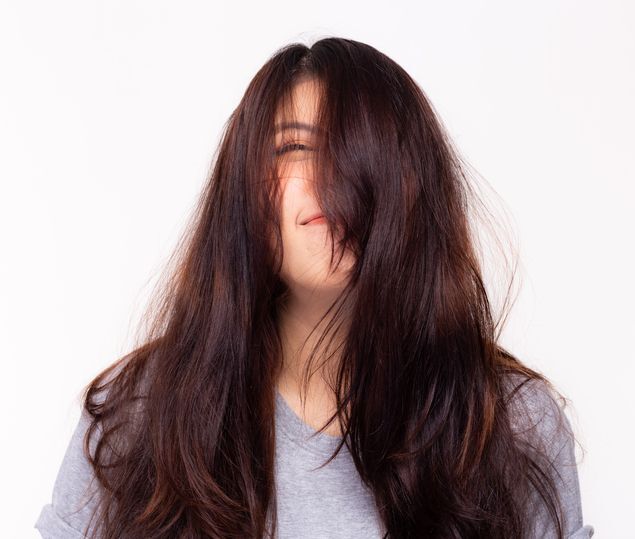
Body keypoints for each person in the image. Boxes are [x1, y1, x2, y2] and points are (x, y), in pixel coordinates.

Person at [35, 36, 595, 538]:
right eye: (294, 148)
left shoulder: (511, 424)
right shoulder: (138, 412)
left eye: (356, 146)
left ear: (413, 186)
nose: (327, 175)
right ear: (246, 193)